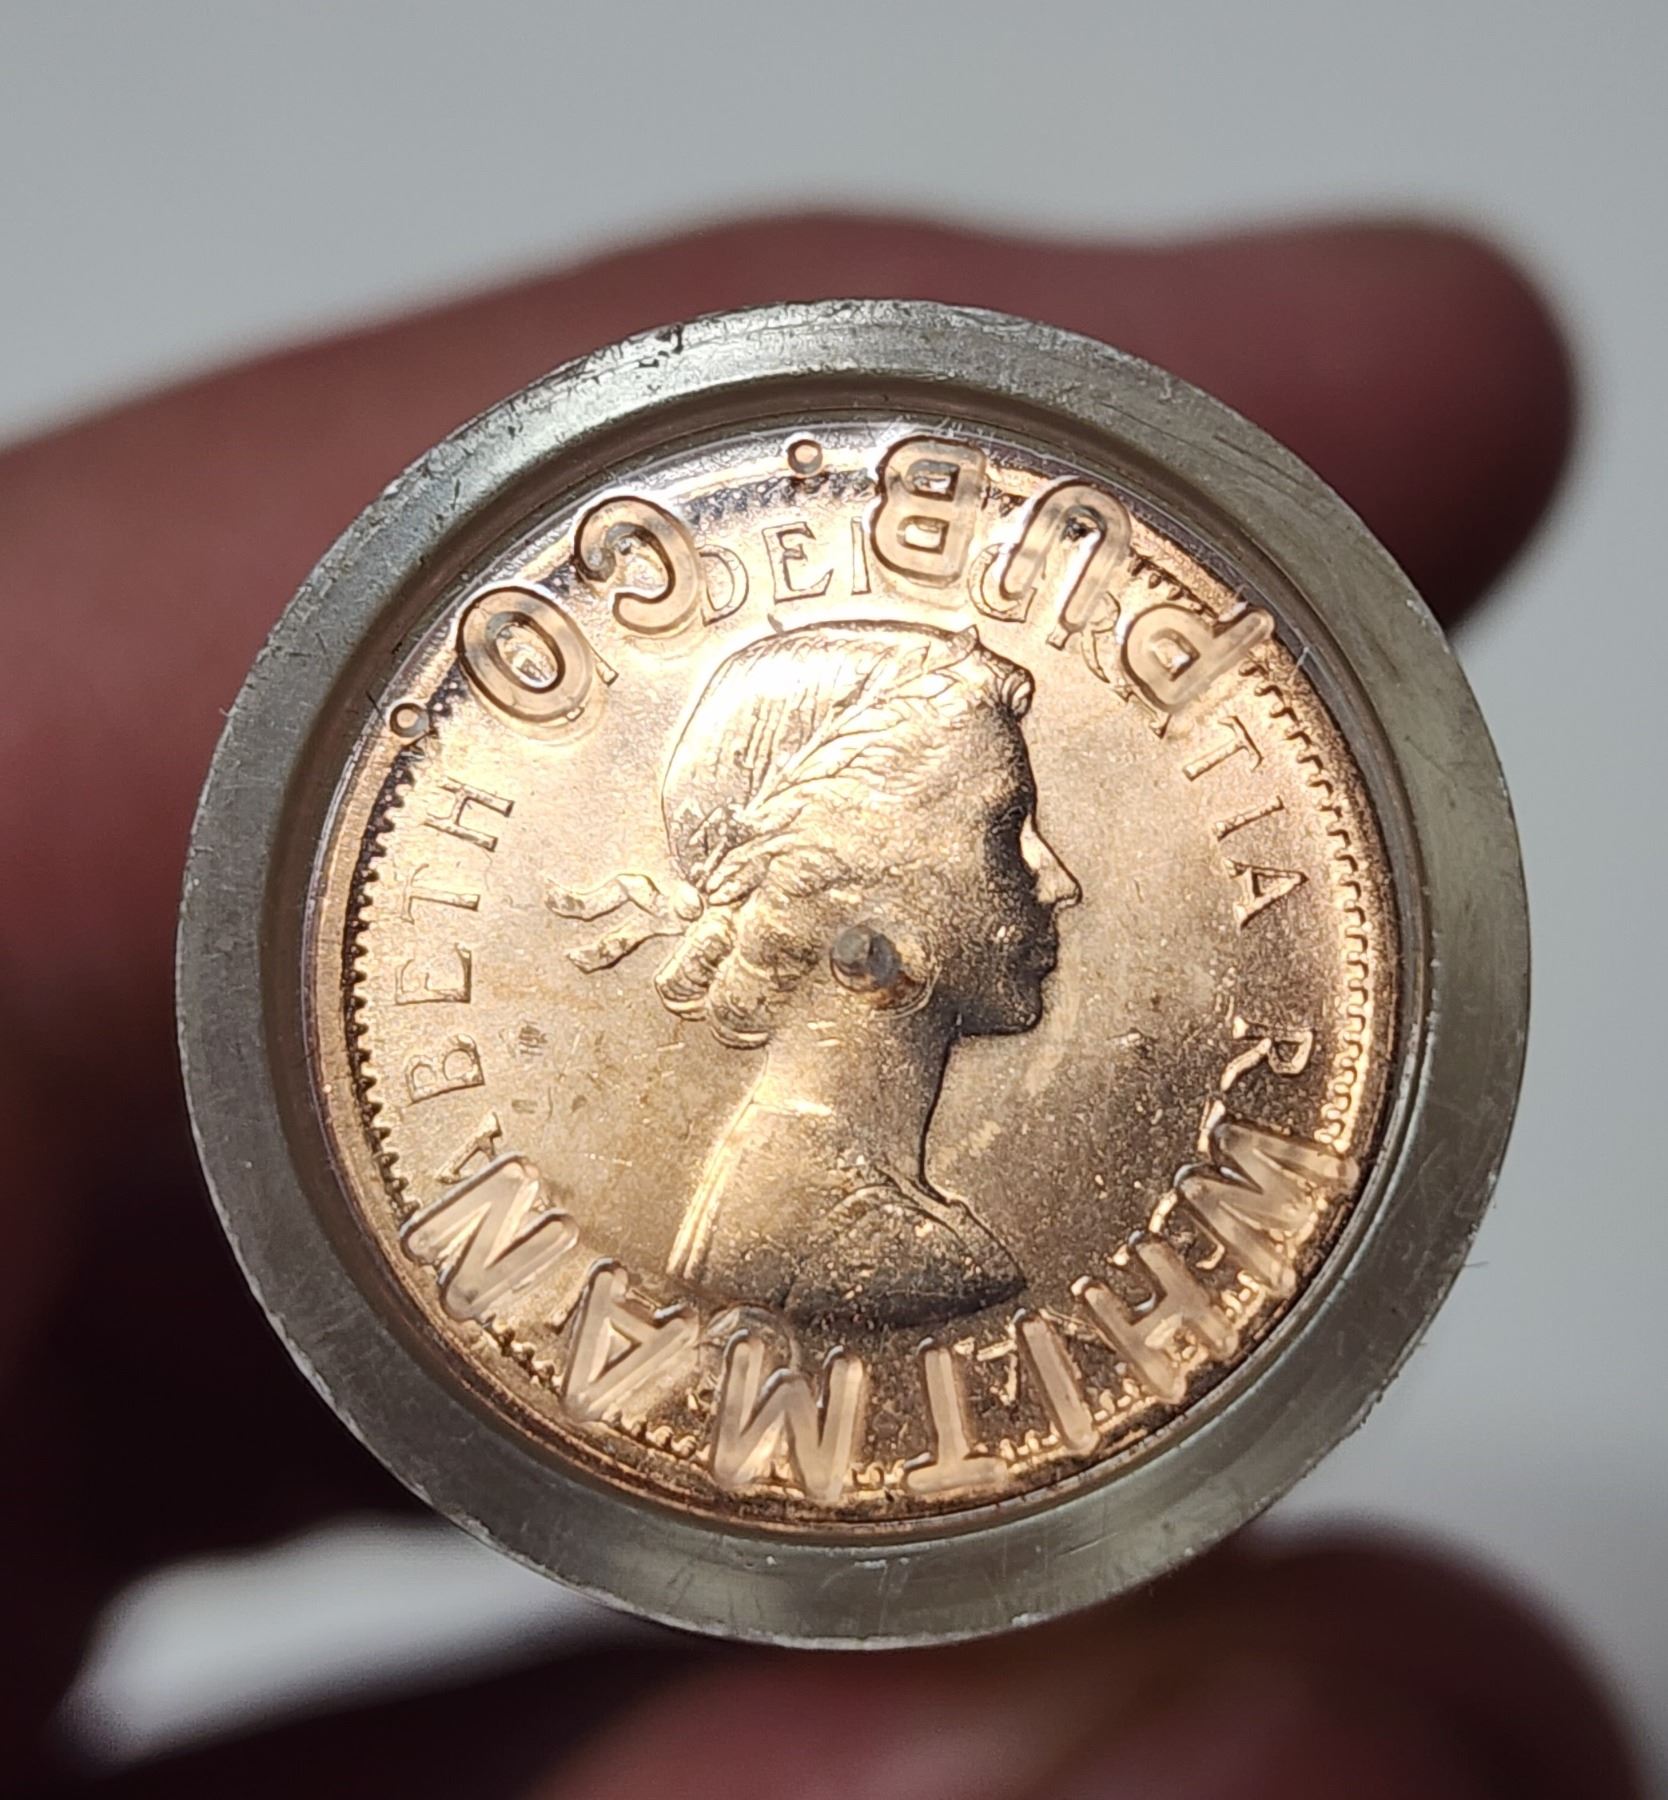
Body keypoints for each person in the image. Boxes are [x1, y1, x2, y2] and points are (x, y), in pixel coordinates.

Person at [0, 214, 1637, 1797]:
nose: (1060, 877)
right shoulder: (807, 1237)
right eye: (1001, 828)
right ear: (855, 908)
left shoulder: (889, 1225)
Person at [551, 620, 1078, 1324]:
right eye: (1006, 831)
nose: (1060, 883)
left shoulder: (785, 1187)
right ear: (867, 917)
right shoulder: (893, 1252)